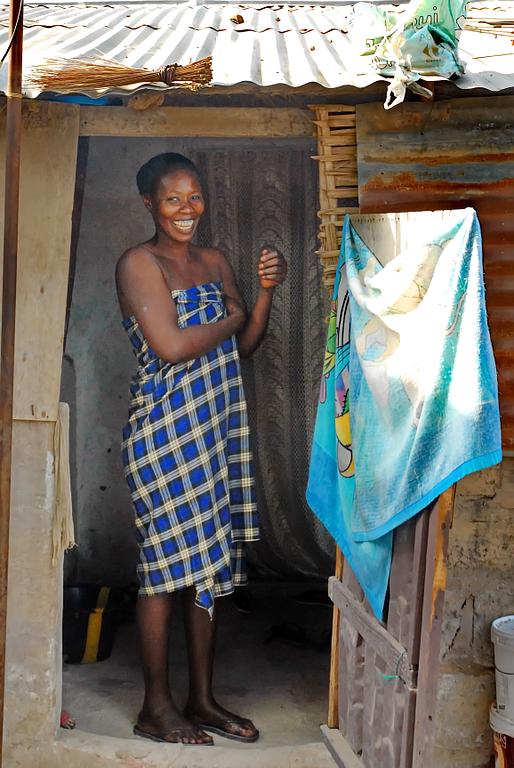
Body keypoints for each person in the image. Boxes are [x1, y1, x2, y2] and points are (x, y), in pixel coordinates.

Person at [116, 152, 287, 746]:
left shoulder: (214, 261)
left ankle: (202, 700)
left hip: (213, 433)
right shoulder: (140, 264)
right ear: (149, 204)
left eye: (194, 198)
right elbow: (169, 345)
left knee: (206, 569)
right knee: (165, 573)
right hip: (163, 434)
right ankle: (155, 707)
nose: (187, 210)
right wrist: (232, 312)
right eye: (172, 199)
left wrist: (261, 295)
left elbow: (244, 343)